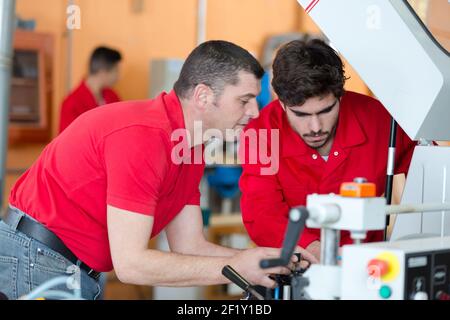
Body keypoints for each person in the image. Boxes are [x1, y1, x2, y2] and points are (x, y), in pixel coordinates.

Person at [0, 40, 315, 300]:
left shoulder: (190, 146)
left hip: (71, 268)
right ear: (204, 96)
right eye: (244, 100)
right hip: (37, 258)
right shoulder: (145, 137)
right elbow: (132, 265)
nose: (254, 111)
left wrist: (264, 260)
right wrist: (236, 266)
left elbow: (190, 246)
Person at [239, 39, 416, 261]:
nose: (315, 127)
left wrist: (414, 241)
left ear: (340, 94)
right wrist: (315, 251)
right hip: (297, 263)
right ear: (281, 101)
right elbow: (262, 213)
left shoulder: (380, 120)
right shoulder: (261, 133)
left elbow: (433, 173)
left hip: (369, 263)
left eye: (325, 110)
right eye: (301, 114)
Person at [59, 46, 122, 133]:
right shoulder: (71, 104)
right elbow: (67, 143)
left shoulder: (113, 96)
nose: (119, 77)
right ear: (103, 72)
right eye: (116, 71)